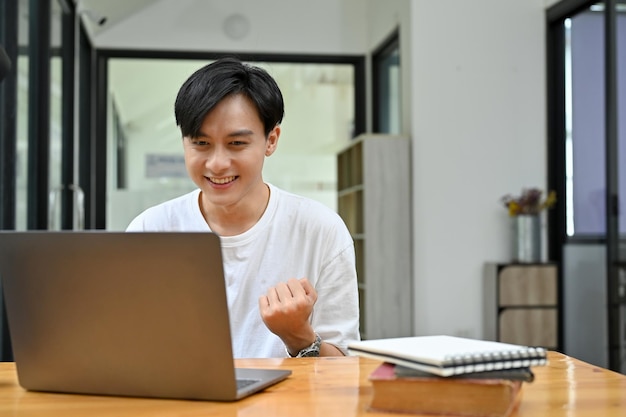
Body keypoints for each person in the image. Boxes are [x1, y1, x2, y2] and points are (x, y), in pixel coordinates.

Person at [126, 57, 360, 358]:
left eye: (236, 144)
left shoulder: (321, 231)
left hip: (287, 406)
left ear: (271, 140)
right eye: (200, 143)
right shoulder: (150, 230)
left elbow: (344, 370)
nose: (217, 163)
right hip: (183, 403)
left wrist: (300, 337)